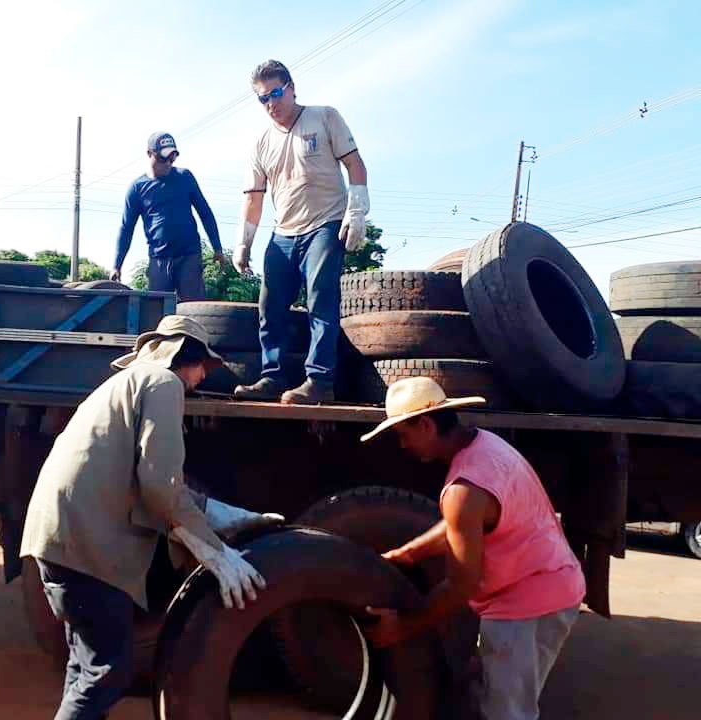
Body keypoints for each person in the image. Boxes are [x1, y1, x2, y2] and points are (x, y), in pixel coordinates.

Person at [20, 315, 283, 720]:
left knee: (85, 667)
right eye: (203, 368)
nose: (201, 378)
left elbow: (157, 485)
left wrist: (230, 517)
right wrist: (215, 553)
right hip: (86, 545)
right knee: (108, 672)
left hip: (59, 538)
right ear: (184, 357)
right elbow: (159, 486)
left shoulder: (127, 384)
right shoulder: (164, 384)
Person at [359, 377, 586, 720]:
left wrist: (401, 628)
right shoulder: (486, 446)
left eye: (404, 435)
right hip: (551, 584)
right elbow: (463, 524)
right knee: (498, 694)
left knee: (508, 713)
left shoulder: (463, 490)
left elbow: (461, 585)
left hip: (526, 605)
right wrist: (408, 554)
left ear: (426, 424)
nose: (402, 445)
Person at [232, 59, 370, 405]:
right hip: (284, 232)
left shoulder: (324, 117)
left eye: (276, 94)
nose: (271, 104)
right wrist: (243, 243)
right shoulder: (261, 143)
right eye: (263, 99)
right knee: (270, 305)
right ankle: (273, 377)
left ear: (291, 88)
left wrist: (356, 212)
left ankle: (320, 381)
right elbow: (254, 197)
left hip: (325, 224)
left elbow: (355, 164)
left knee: (320, 299)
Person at [111, 132, 224, 301]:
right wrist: (117, 265)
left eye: (172, 158)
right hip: (159, 259)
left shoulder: (184, 177)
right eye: (163, 158)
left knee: (193, 309)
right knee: (158, 310)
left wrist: (217, 248)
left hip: (189, 256)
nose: (168, 163)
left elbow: (205, 213)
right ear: (150, 154)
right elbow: (126, 228)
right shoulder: (137, 188)